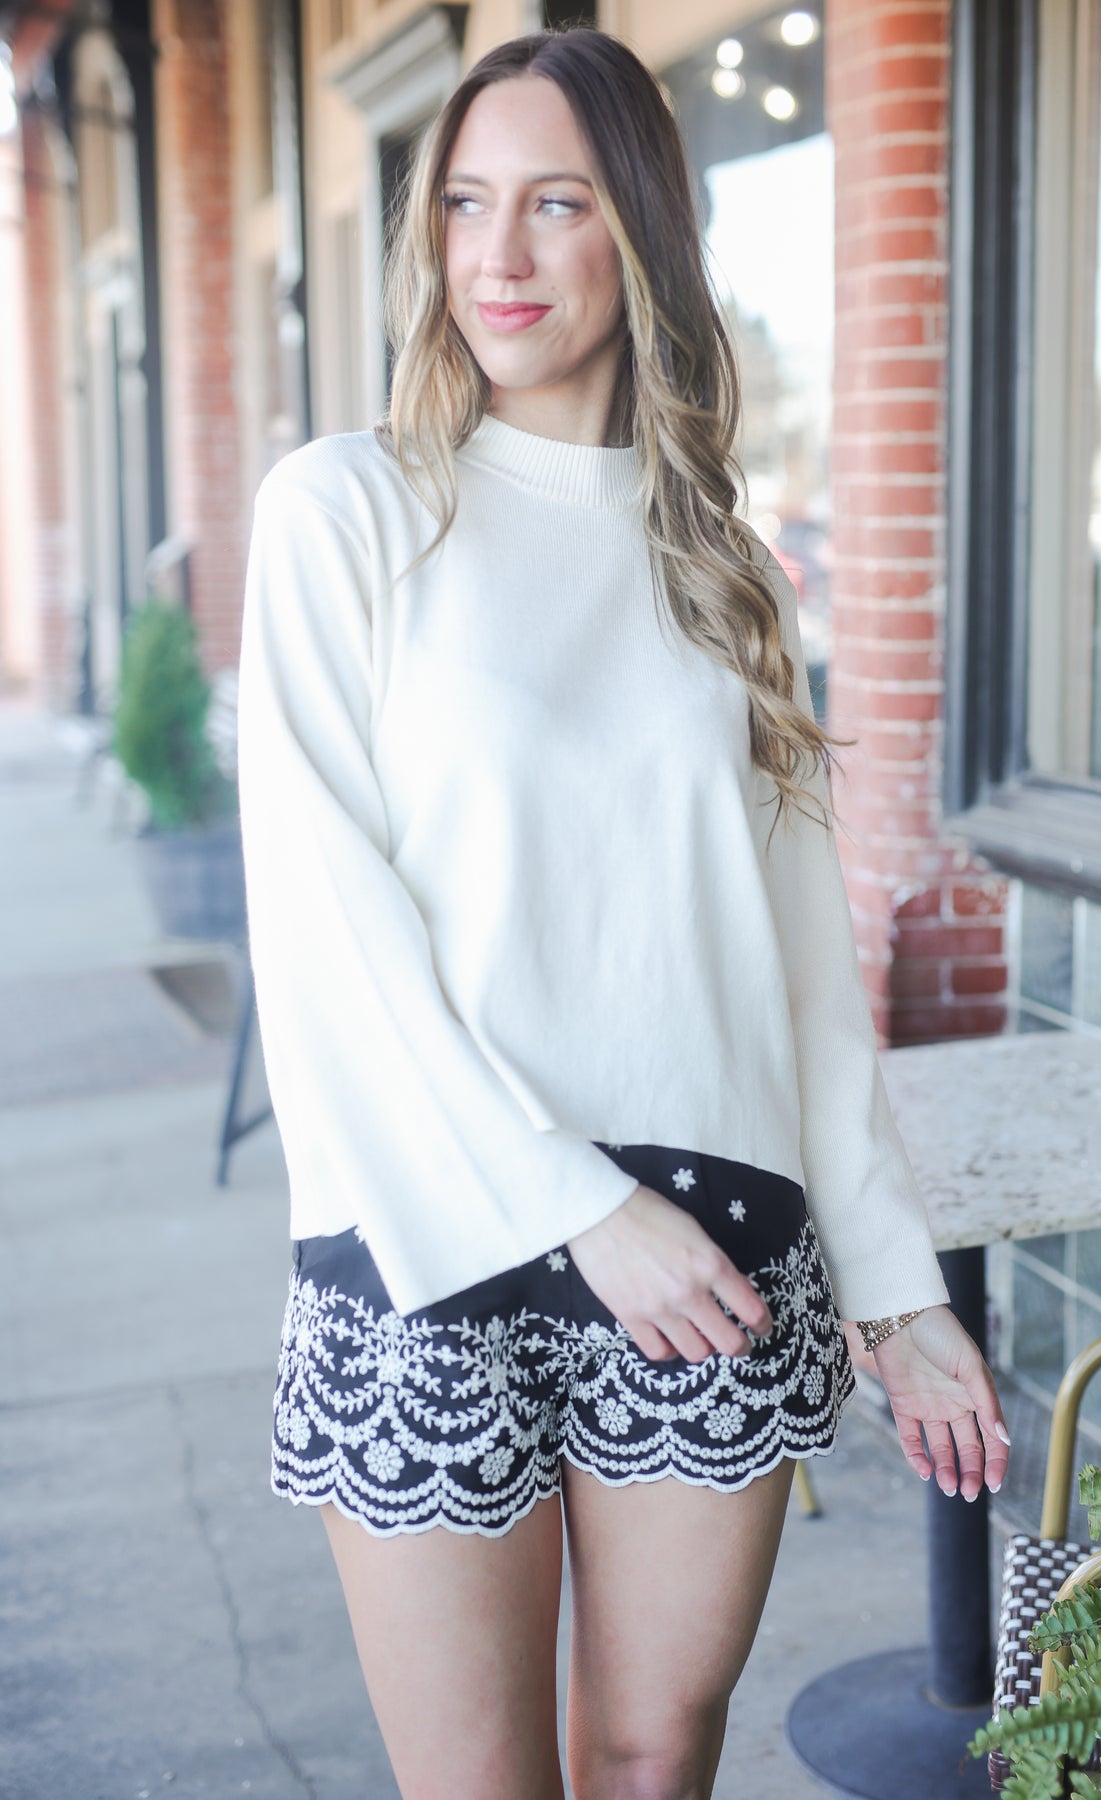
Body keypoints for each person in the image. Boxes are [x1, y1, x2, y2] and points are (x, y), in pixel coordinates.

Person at [236, 25, 1010, 1800]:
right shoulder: (345, 515)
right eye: (468, 207)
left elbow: (809, 983)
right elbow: (330, 931)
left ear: (639, 235)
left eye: (557, 205)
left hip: (718, 1243)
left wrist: (899, 1295)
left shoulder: (724, 575)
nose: (499, 256)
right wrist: (580, 1211)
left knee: (655, 1760)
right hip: (436, 1241)